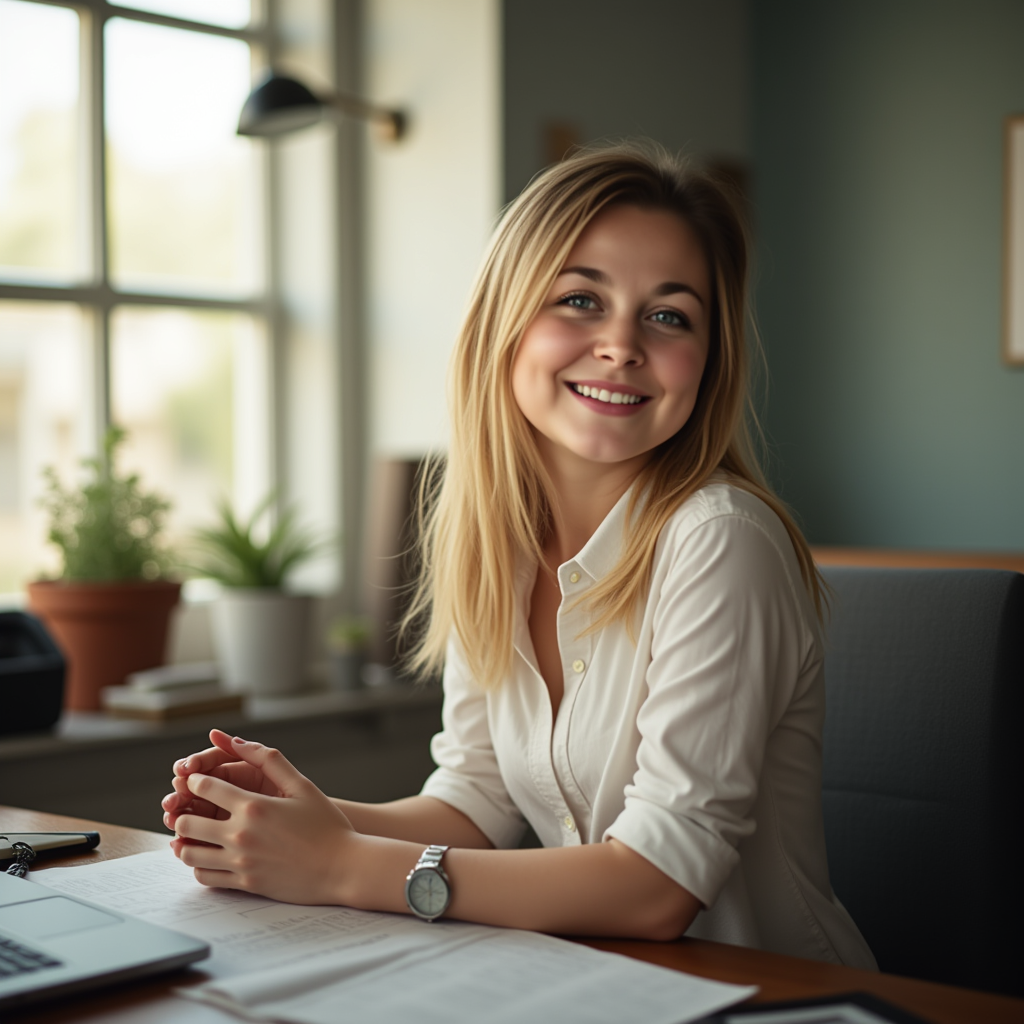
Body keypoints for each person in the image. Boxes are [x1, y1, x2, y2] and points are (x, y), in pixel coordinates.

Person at [162, 143, 876, 968]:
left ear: (708, 362)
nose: (621, 345)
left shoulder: (721, 540)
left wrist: (343, 866)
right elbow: (476, 802)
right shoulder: (497, 545)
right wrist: (306, 819)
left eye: (669, 314)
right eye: (580, 299)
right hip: (597, 983)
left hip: (771, 995)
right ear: (505, 320)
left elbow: (656, 886)